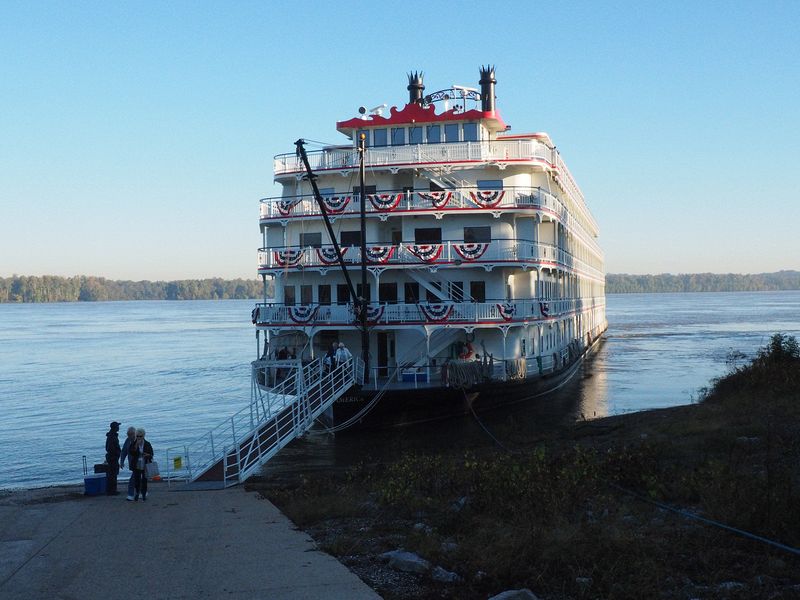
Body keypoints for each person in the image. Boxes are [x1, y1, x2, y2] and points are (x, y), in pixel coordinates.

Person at [129, 428, 154, 502]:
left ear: (143, 436)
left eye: (140, 436)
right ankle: (137, 493)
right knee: (137, 480)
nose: (139, 438)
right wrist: (136, 446)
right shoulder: (133, 443)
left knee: (144, 480)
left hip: (145, 463)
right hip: (136, 464)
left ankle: (143, 494)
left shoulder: (147, 444)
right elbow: (131, 453)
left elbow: (151, 454)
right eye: (137, 436)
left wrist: (147, 455)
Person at [119, 426, 136, 501]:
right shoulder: (128, 441)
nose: (129, 436)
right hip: (132, 463)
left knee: (132, 480)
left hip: (140, 464)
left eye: (131, 434)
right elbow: (124, 451)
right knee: (138, 478)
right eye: (128, 434)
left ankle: (130, 495)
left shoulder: (139, 440)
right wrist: (121, 461)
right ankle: (142, 492)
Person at [105, 421, 121, 495]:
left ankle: (112, 490)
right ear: (115, 428)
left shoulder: (112, 435)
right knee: (113, 474)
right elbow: (110, 448)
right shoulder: (112, 436)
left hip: (112, 457)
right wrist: (116, 454)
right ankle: (112, 491)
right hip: (112, 458)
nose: (118, 427)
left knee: (113, 474)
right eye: (117, 426)